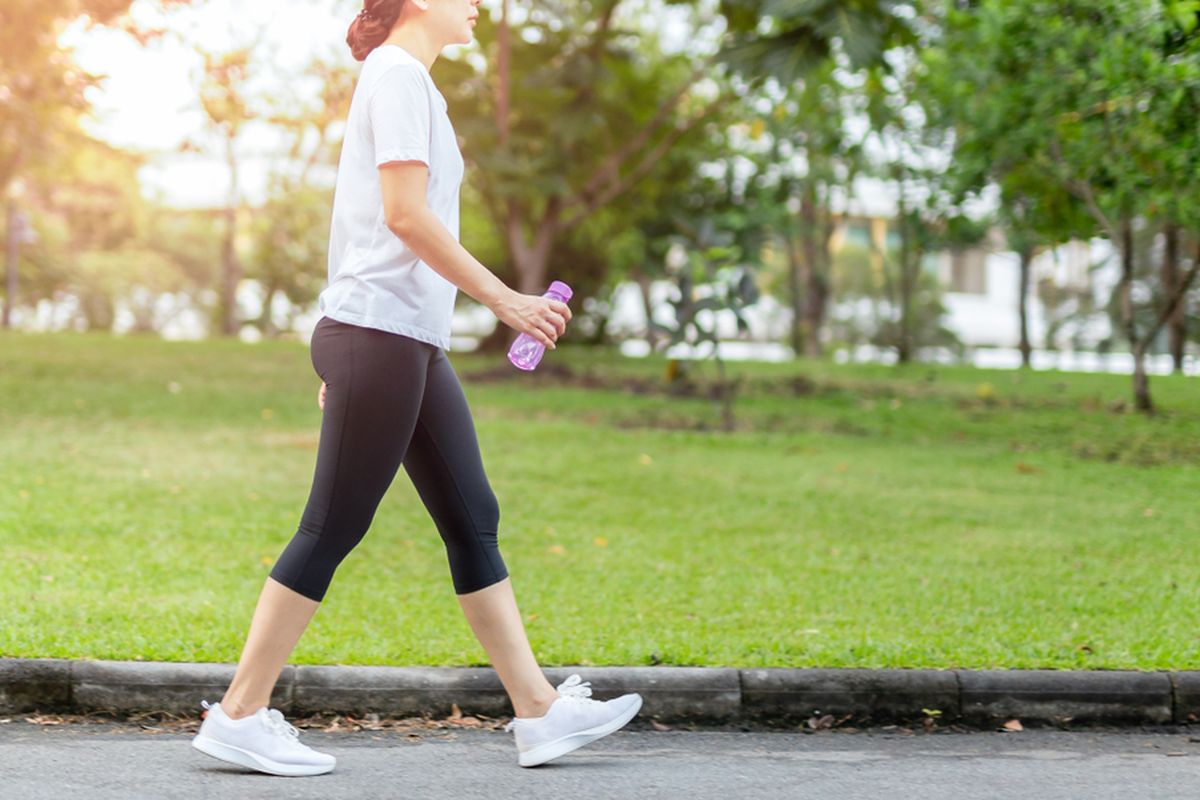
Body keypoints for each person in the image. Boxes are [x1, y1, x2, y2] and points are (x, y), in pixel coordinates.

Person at [190, 0, 642, 777]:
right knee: (332, 526)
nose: (477, 5)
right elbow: (404, 216)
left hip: (404, 343)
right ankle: (239, 713)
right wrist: (506, 302)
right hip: (380, 336)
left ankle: (537, 712)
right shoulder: (396, 75)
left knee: (474, 516)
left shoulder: (413, 84)